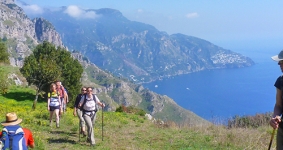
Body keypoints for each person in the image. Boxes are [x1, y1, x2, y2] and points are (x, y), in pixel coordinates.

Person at [270, 50, 283, 149]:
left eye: (281, 62)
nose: (279, 64)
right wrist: (275, 116)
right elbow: (279, 105)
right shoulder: (280, 81)